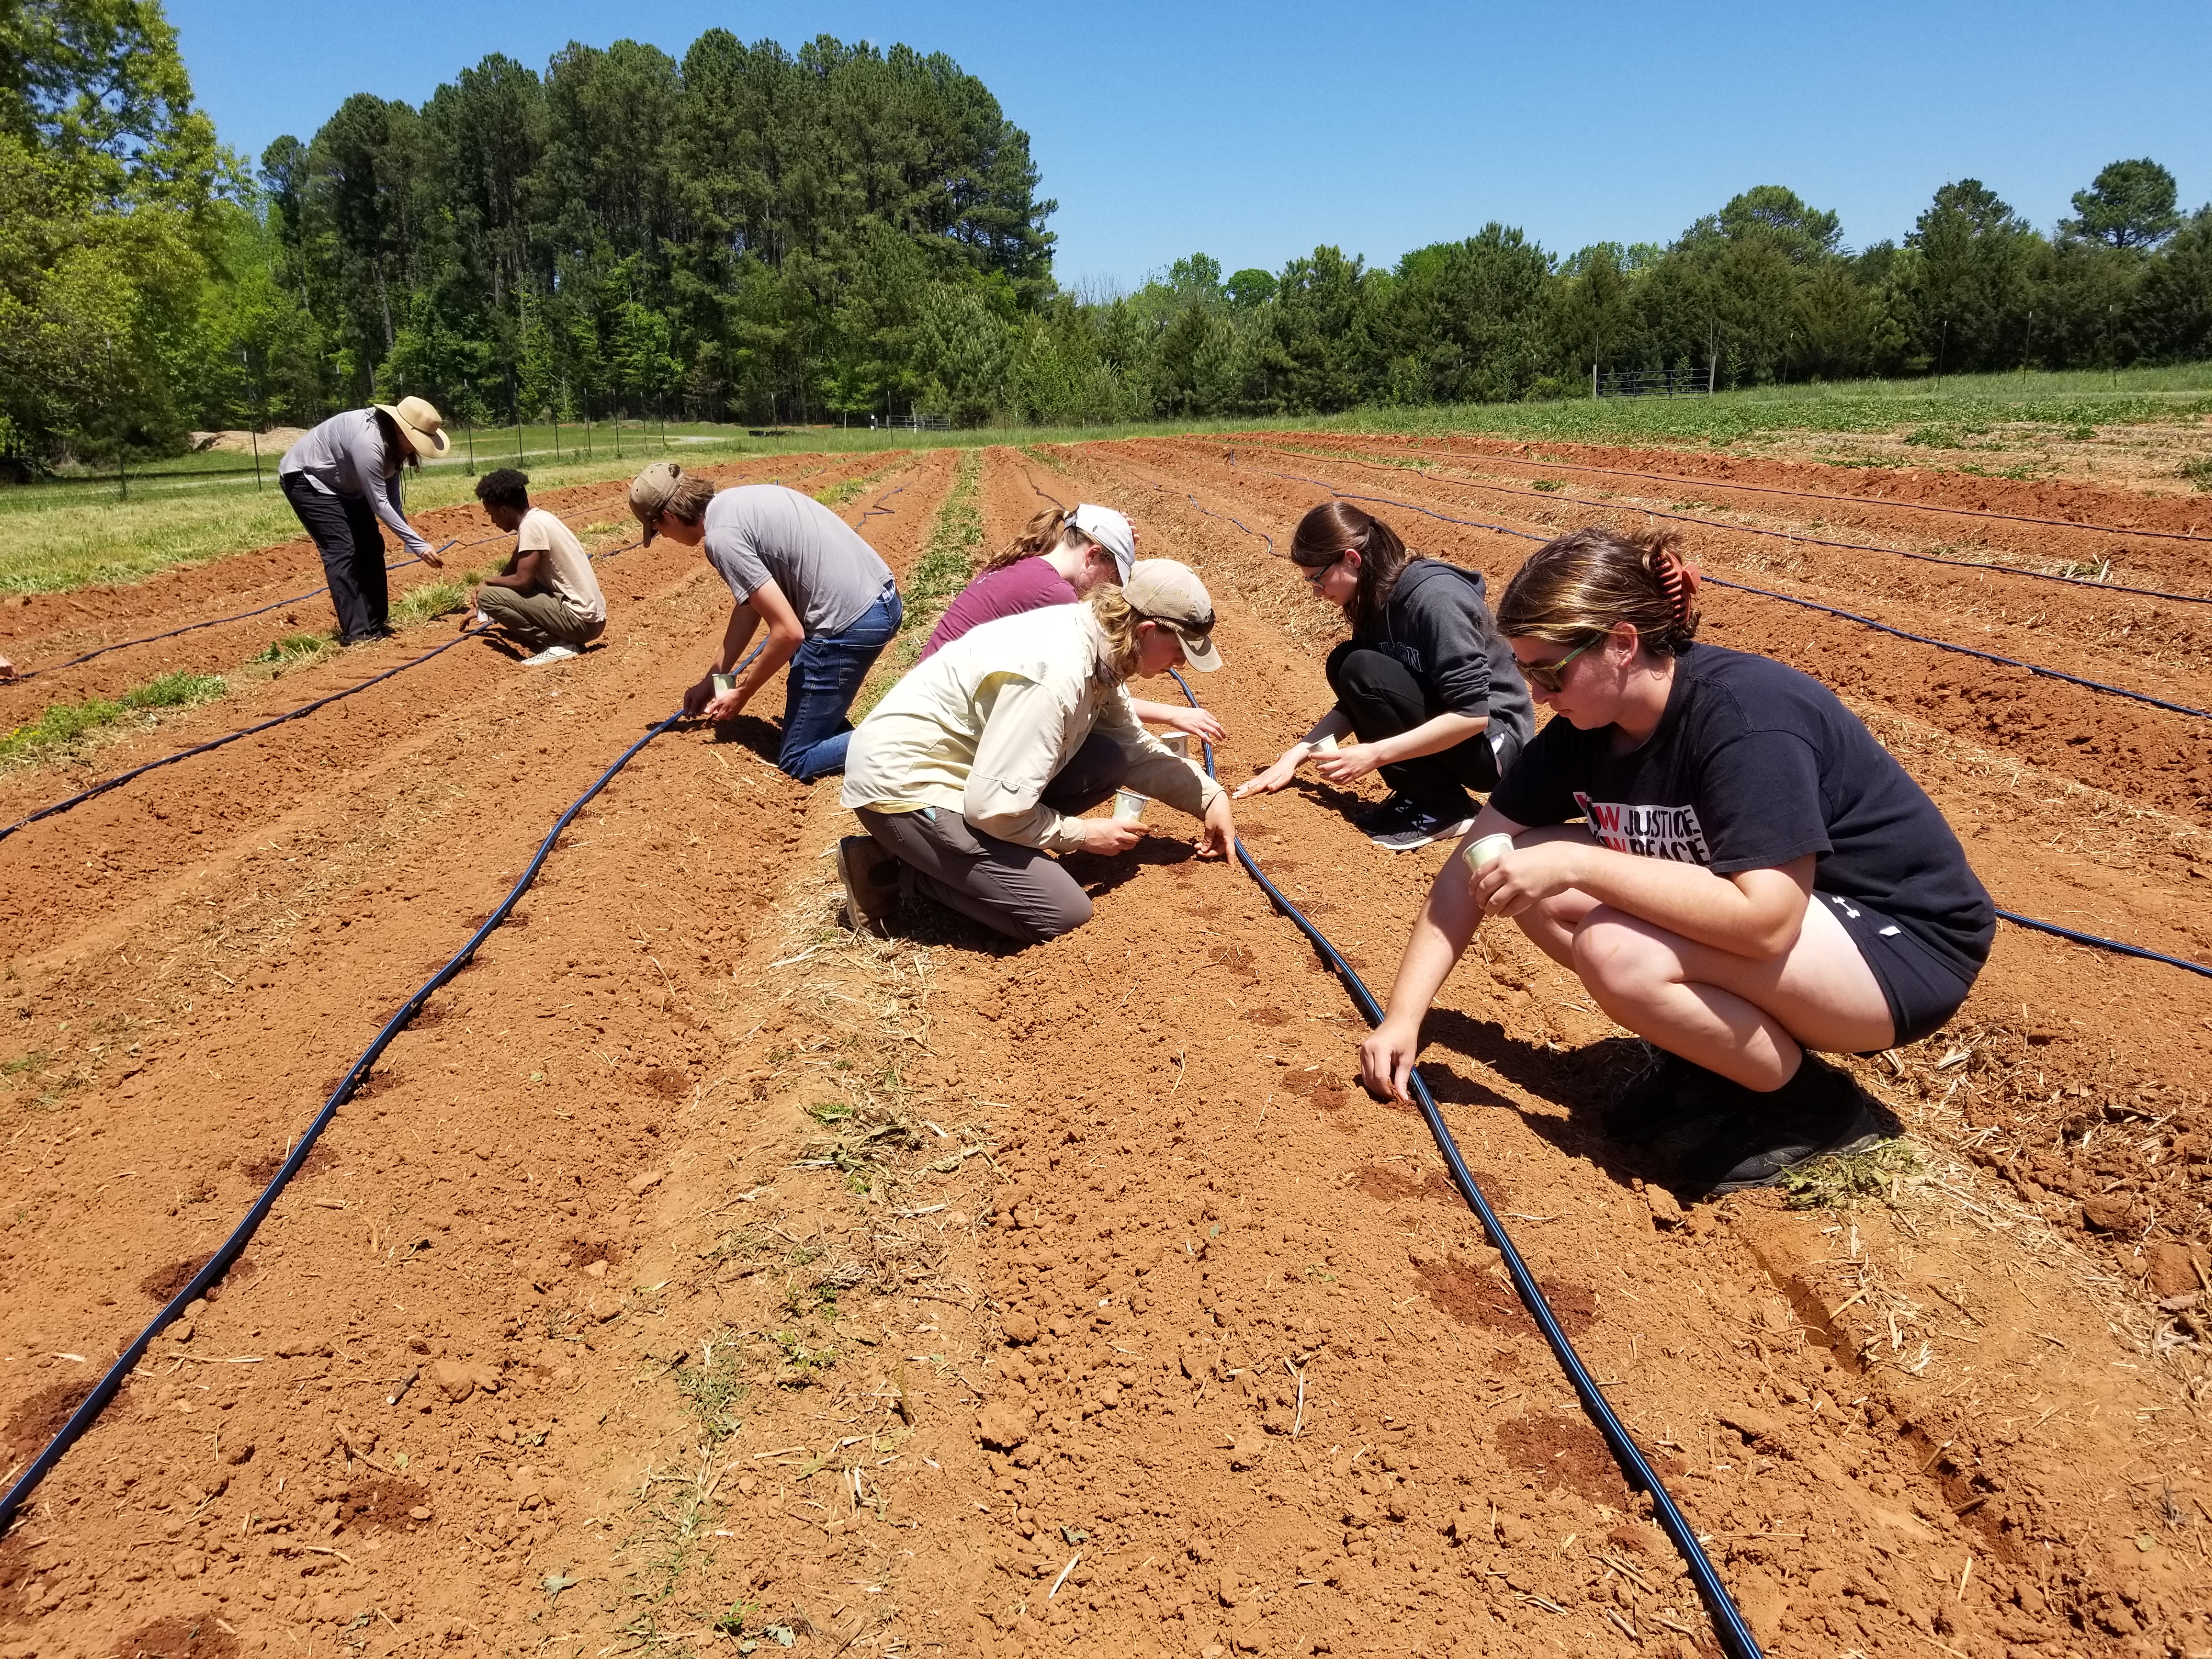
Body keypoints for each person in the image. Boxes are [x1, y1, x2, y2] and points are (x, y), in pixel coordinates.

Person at [1356, 526, 1995, 1194]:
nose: (1538, 696)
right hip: (1805, 935)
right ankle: (1708, 1065)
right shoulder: (1583, 732)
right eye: (1525, 672)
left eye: (1551, 670)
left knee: (1613, 945)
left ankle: (1814, 1110)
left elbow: (1767, 923)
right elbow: (1470, 866)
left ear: (1623, 644)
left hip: (1898, 944)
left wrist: (1585, 867)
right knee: (1521, 869)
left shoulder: (1745, 720)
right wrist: (1404, 1016)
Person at [836, 561, 1237, 945]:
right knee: (1061, 912)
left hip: (966, 772)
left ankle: (966, 858)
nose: (1181, 662)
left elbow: (1132, 748)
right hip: (905, 786)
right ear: (1147, 629)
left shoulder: (1104, 645)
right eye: (1180, 649)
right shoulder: (1057, 677)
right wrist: (1080, 835)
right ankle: (893, 871)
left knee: (1107, 760)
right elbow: (993, 808)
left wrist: (1209, 797)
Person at [1235, 501, 1532, 851]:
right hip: (1458, 736)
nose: (1317, 592)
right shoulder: (1373, 601)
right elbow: (1359, 698)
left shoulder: (1436, 600)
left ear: (1351, 560)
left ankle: (1446, 808)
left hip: (1493, 746)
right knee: (1346, 663)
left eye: (1318, 578)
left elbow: (1473, 716)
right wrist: (1295, 755)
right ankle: (1418, 794)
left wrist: (1374, 754)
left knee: (1359, 666)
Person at [630, 466, 901, 782]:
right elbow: (749, 608)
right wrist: (714, 680)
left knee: (798, 757)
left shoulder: (721, 539)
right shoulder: (734, 502)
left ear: (670, 516)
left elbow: (789, 632)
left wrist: (742, 694)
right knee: (804, 690)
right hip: (881, 599)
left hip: (849, 625)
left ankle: (901, 740)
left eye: (658, 530)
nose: (665, 537)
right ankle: (850, 733)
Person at [918, 503, 1224, 744]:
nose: (1113, 589)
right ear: (1091, 556)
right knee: (1085, 743)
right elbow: (1087, 689)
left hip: (933, 698)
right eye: (1115, 577)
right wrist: (1171, 714)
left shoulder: (1029, 563)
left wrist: (1115, 533)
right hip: (948, 722)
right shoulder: (1054, 594)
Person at [278, 398, 449, 645]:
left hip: (346, 486)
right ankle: (358, 634)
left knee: (371, 545)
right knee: (342, 550)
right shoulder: (369, 442)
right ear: (400, 429)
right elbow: (380, 504)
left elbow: (392, 501)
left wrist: (411, 541)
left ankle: (375, 623)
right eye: (415, 442)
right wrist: (420, 545)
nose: (415, 449)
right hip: (309, 479)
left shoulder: (394, 445)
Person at [464, 470, 607, 665]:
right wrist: (484, 610)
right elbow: (514, 565)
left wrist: (487, 585)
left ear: (505, 510)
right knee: (490, 596)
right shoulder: (540, 518)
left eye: (491, 514)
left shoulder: (531, 527)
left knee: (488, 596)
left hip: (580, 622)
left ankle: (559, 645)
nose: (492, 521)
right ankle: (563, 641)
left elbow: (522, 582)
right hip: (591, 618)